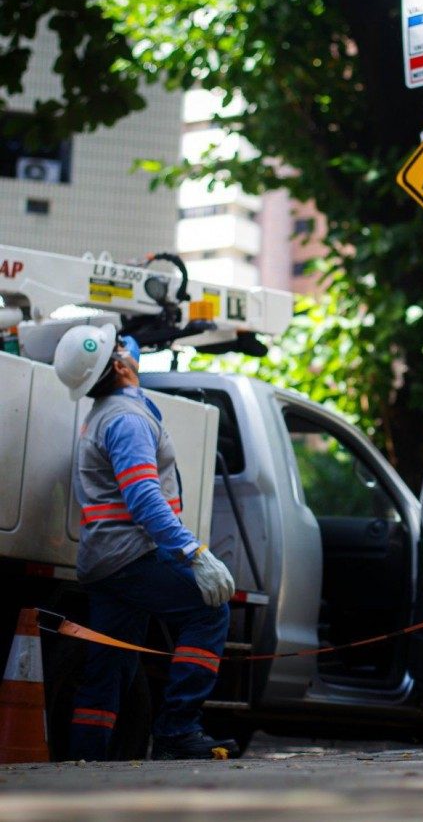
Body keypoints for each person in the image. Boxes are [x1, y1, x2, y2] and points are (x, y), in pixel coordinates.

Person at [54, 323, 237, 761]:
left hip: (104, 561)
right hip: (131, 555)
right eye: (121, 346)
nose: (128, 347)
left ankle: (86, 755)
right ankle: (177, 730)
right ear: (119, 365)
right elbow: (143, 497)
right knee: (210, 609)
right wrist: (191, 551)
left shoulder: (109, 412)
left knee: (108, 665)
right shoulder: (127, 419)